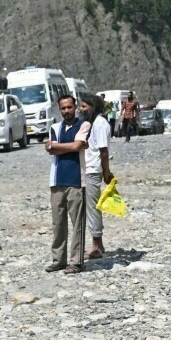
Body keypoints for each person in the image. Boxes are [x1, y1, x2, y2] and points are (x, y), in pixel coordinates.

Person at [45, 95, 88, 273]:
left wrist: (56, 146)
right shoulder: (55, 127)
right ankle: (58, 259)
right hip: (57, 179)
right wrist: (55, 147)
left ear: (75, 107)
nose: (67, 111)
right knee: (57, 223)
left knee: (77, 222)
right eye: (63, 108)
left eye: (69, 107)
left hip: (76, 179)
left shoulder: (84, 125)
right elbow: (49, 150)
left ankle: (76, 261)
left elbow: (76, 146)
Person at [79, 97, 114, 258]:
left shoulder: (100, 124)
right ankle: (98, 244)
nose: (81, 109)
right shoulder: (91, 124)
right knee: (89, 207)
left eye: (84, 106)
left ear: (93, 107)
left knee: (93, 208)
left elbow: (104, 151)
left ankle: (95, 244)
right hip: (87, 168)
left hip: (93, 170)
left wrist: (106, 172)